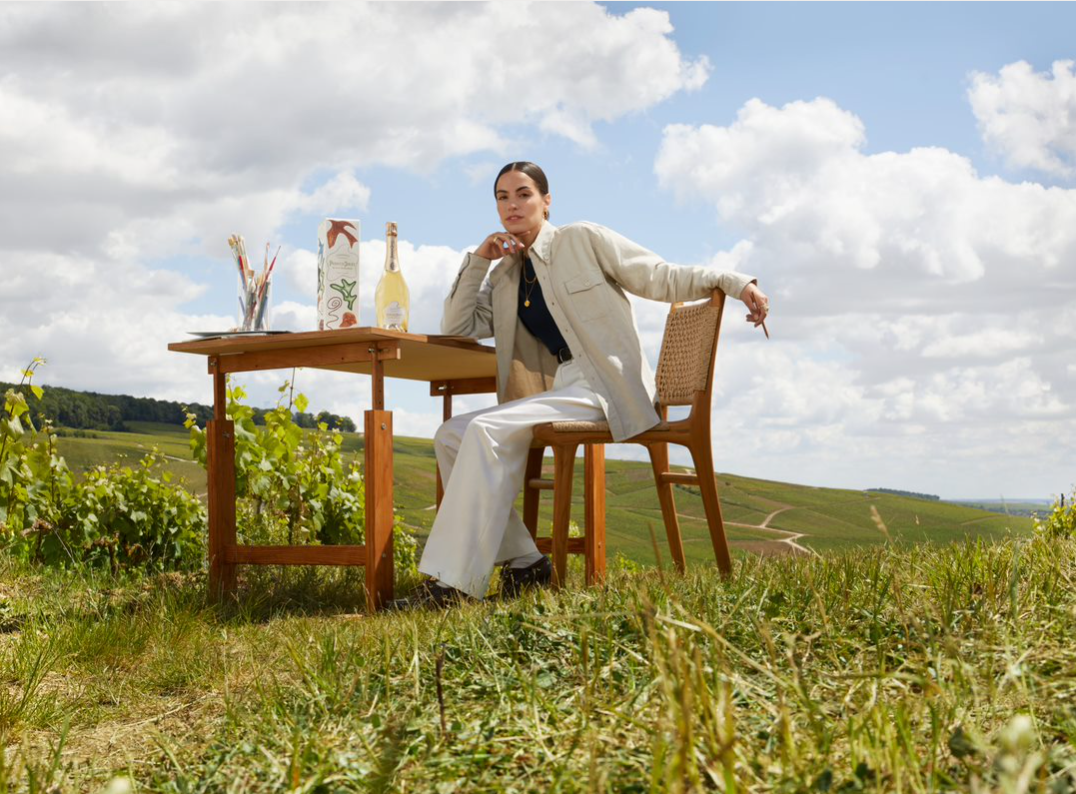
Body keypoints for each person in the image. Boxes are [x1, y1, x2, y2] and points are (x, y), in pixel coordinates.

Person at [414, 161, 769, 606]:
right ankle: (526, 563)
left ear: (546, 201)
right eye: (502, 197)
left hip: (605, 385)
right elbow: (459, 325)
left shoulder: (581, 240)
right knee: (452, 435)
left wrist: (734, 283)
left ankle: (453, 586)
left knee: (485, 430)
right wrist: (478, 261)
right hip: (564, 387)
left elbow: (659, 276)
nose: (512, 205)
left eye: (523, 194)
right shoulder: (505, 272)